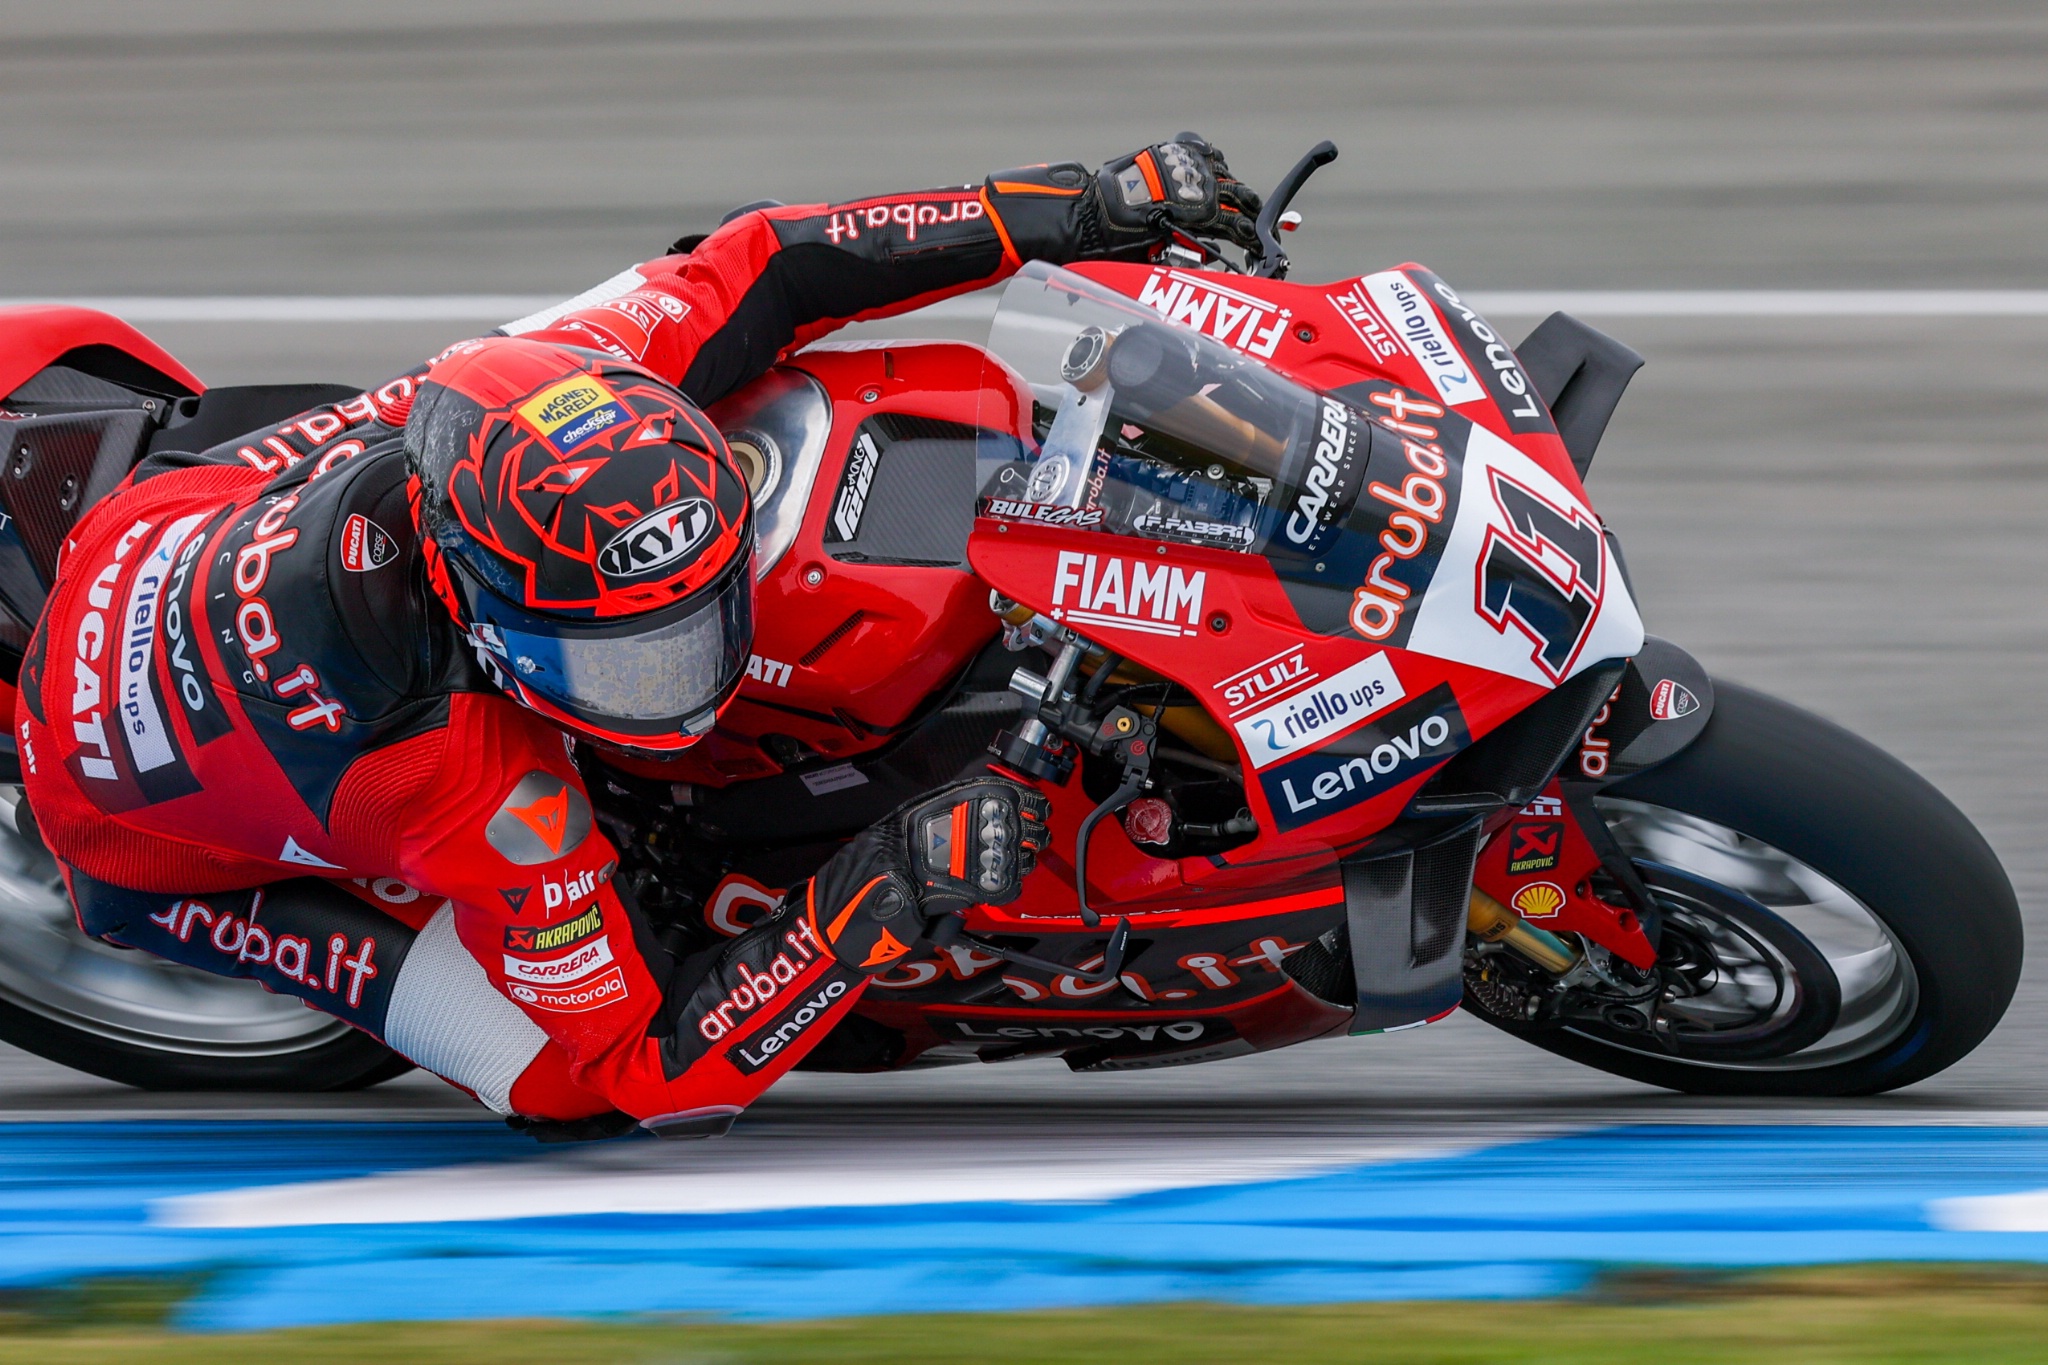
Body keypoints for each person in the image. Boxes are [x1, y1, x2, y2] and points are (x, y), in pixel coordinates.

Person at [14, 137, 1262, 1138]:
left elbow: (768, 257)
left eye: (705, 617)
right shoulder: (474, 788)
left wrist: (1075, 205)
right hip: (132, 832)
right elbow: (654, 1075)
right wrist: (874, 893)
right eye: (637, 662)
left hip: (168, 518)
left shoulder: (542, 379)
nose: (697, 683)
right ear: (491, 626)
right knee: (560, 1089)